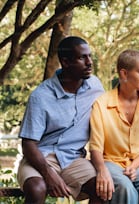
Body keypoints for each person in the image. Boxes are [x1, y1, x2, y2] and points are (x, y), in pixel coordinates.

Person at [17, 36, 105, 204]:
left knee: (101, 187)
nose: (89, 62)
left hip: (74, 158)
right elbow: (28, 144)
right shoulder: (41, 96)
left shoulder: (95, 86)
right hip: (41, 157)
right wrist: (48, 173)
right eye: (82, 57)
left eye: (90, 56)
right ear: (65, 62)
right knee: (37, 188)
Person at [89, 49, 139, 204]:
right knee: (125, 188)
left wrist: (134, 166)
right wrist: (102, 171)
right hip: (110, 162)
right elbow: (96, 146)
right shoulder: (101, 104)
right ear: (124, 74)